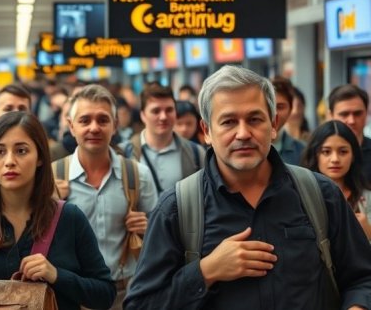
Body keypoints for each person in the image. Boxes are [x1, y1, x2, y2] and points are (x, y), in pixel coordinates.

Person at [125, 65, 371, 309]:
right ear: (207, 131)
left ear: (273, 124)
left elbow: (362, 278)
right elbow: (141, 304)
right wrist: (206, 272)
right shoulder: (177, 210)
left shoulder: (320, 195)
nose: (243, 133)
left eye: (254, 119)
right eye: (229, 122)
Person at [0, 111, 116, 310]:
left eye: (21, 151)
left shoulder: (69, 218)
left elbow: (105, 294)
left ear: (40, 158)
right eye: (0, 152)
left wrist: (56, 275)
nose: (9, 161)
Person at [55, 84, 158, 309]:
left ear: (115, 125)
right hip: (73, 295)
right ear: (71, 127)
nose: (94, 128)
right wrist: (49, 203)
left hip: (127, 294)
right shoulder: (51, 179)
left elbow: (162, 239)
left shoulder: (137, 175)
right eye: (84, 121)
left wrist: (147, 227)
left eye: (103, 120)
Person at [123, 84, 205, 195]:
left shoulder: (196, 153)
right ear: (142, 115)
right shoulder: (124, 152)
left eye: (169, 110)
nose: (163, 117)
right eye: (156, 111)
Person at [301, 120, 371, 239]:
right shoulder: (301, 196)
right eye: (326, 152)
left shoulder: (367, 198)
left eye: (343, 152)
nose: (335, 159)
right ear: (315, 155)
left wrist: (368, 232)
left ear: (353, 155)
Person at [328, 84, 371, 184]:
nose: (351, 120)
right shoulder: (317, 154)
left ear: (367, 114)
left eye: (357, 113)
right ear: (330, 115)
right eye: (344, 114)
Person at [270, 76, 306, 165]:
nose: (275, 113)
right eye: (270, 106)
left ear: (290, 110)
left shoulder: (302, 151)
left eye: (280, 107)